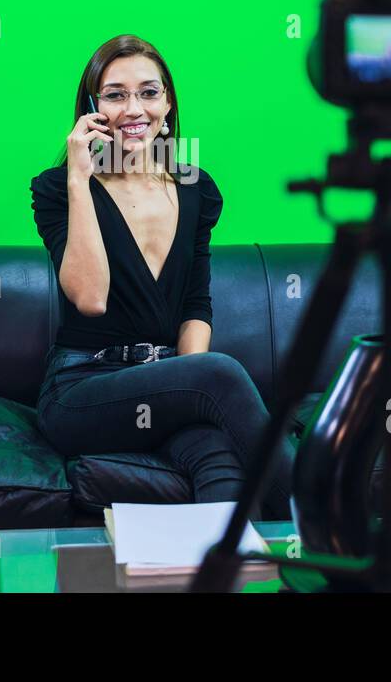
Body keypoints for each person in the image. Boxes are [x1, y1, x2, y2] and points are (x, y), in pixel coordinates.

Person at [29, 33, 296, 521]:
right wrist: (77, 178)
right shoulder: (56, 189)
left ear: (168, 103)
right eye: (115, 95)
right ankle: (331, 518)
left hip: (166, 386)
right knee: (218, 372)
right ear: (91, 108)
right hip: (82, 389)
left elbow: (196, 304)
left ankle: (221, 575)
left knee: (221, 457)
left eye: (149, 92)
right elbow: (89, 298)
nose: (134, 109)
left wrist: (187, 387)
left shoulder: (196, 187)